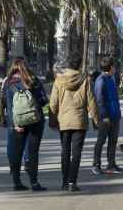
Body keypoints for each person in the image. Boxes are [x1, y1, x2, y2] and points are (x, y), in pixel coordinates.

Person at [49, 52, 101, 192]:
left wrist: (52, 121)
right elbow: (92, 102)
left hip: (63, 121)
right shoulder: (85, 80)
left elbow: (53, 103)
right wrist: (96, 121)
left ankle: (64, 182)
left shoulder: (59, 80)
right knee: (76, 152)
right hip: (79, 121)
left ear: (68, 64)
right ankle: (73, 182)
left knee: (64, 151)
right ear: (79, 65)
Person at [5, 59, 48, 191]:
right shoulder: (34, 81)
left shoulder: (9, 83)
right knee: (33, 152)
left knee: (16, 152)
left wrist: (14, 124)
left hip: (18, 123)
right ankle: (34, 182)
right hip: (35, 121)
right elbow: (43, 100)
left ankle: (16, 182)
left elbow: (9, 106)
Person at [92, 57, 123, 175]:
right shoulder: (101, 80)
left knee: (113, 140)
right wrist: (104, 115)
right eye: (114, 66)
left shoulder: (111, 79)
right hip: (105, 117)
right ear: (110, 67)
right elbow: (99, 100)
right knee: (101, 140)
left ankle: (111, 164)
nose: (115, 68)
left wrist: (118, 113)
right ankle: (96, 164)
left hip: (115, 115)